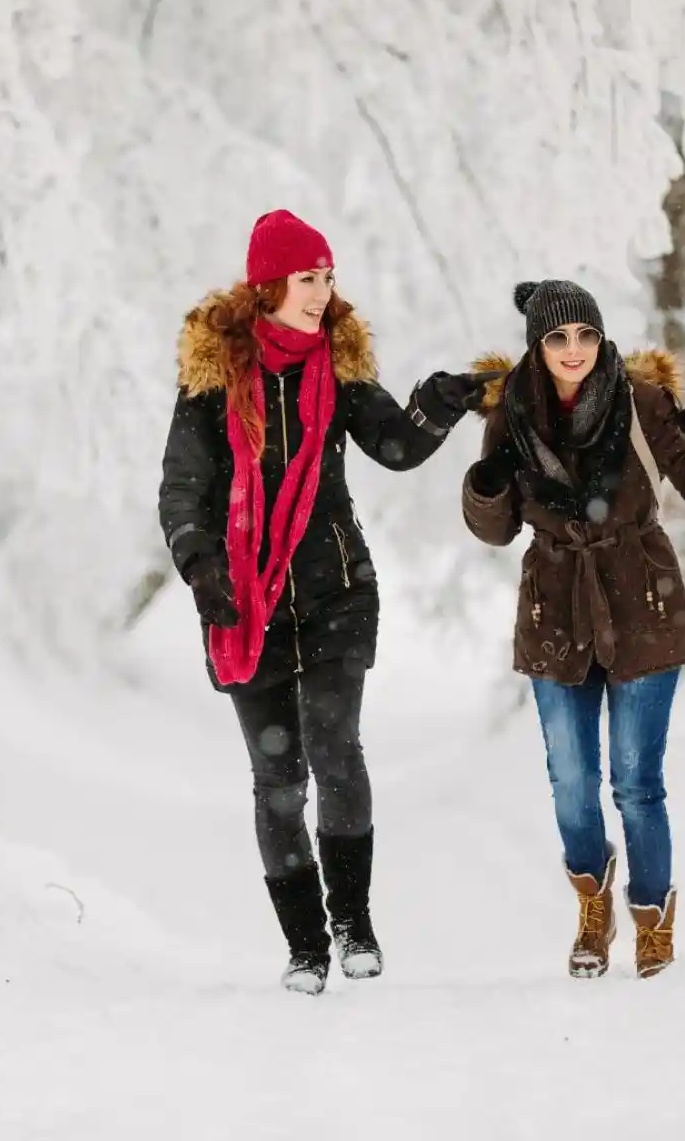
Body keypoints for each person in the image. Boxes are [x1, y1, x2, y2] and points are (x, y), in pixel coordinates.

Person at [158, 209, 488, 994]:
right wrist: (201, 565)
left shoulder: (336, 371)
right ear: (270, 284)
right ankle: (306, 947)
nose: (322, 291)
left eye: (328, 276)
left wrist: (438, 403)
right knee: (278, 778)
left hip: (336, 593)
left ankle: (354, 925)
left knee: (337, 753)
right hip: (245, 605)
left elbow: (398, 448)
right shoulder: (212, 383)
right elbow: (182, 487)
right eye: (308, 277)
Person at [461, 280, 685, 979]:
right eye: (558, 338)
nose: (574, 350)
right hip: (555, 609)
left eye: (585, 335)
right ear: (537, 345)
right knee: (570, 780)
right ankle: (594, 901)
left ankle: (652, 918)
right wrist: (487, 485)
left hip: (642, 605)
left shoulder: (641, 403)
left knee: (637, 783)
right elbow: (494, 532)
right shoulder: (514, 415)